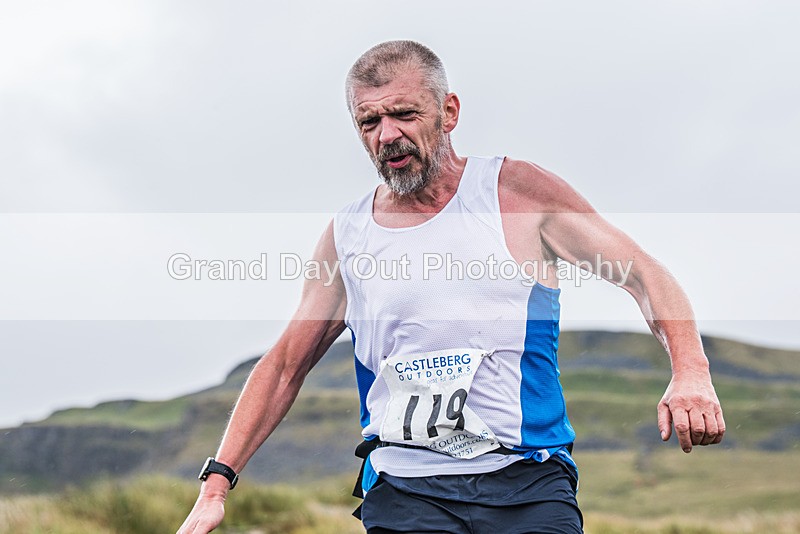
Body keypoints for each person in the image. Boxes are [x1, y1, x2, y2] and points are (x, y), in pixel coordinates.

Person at [177, 40, 725, 534]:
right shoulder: (348, 236)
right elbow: (283, 365)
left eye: (404, 114)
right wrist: (216, 485)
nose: (387, 135)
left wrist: (691, 370)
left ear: (449, 112)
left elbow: (644, 275)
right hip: (405, 488)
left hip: (527, 479)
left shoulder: (515, 194)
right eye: (369, 121)